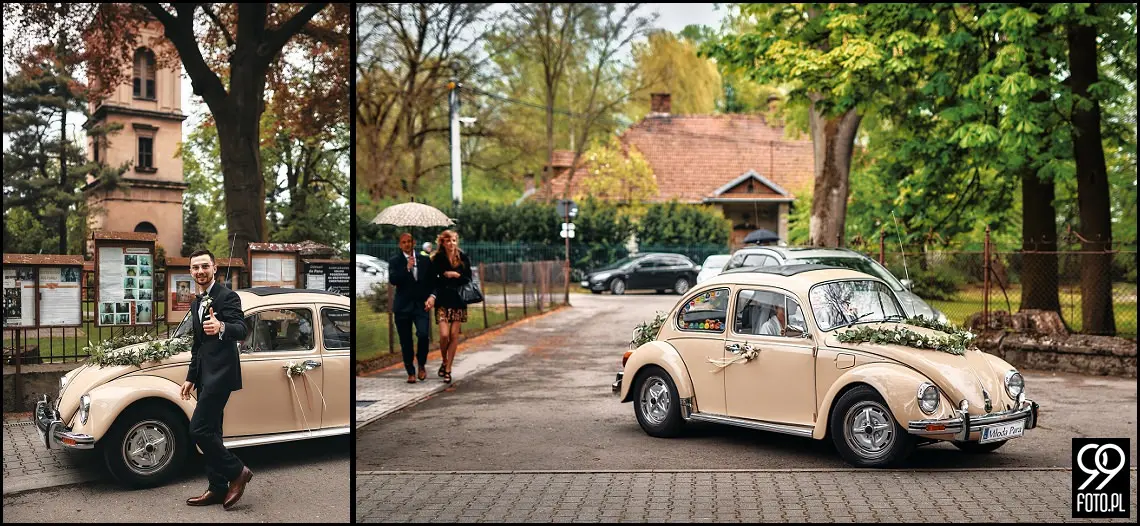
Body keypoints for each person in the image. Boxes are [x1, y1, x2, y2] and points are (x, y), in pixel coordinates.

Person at [180, 249, 253, 510]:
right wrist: (190, 377)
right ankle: (217, 486)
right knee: (212, 431)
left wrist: (222, 327)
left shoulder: (227, 296)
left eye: (204, 266)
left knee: (197, 429)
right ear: (190, 271)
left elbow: (242, 328)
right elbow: (197, 345)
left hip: (221, 375)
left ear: (214, 269)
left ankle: (237, 472)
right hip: (203, 376)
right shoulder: (195, 302)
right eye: (195, 267)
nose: (200, 271)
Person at [387, 233, 436, 383]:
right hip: (403, 307)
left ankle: (421, 364)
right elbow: (393, 280)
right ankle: (410, 370)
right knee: (406, 340)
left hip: (421, 305)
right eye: (404, 242)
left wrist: (432, 296)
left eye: (409, 241)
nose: (407, 244)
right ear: (400, 245)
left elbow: (434, 282)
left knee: (423, 335)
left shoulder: (425, 260)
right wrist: (407, 268)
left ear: (414, 242)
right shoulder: (395, 261)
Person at [429, 230, 472, 384]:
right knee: (444, 335)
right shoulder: (437, 259)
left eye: (453, 240)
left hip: (458, 301)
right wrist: (442, 276)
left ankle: (448, 369)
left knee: (454, 335)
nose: (451, 243)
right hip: (442, 300)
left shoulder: (463, 257)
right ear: (443, 243)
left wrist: (456, 275)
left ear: (456, 241)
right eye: (448, 241)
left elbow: (468, 279)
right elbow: (433, 280)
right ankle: (444, 360)